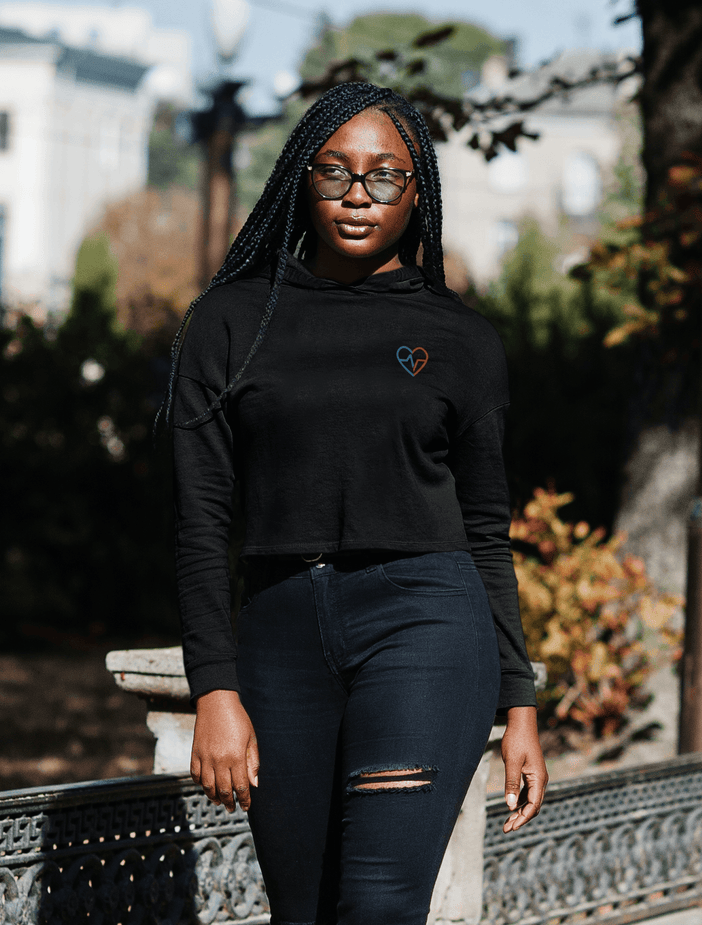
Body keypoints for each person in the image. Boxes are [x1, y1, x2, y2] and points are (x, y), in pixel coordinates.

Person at [165, 81, 548, 925]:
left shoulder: (462, 340)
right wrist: (213, 688)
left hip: (427, 624)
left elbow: (487, 530)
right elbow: (201, 522)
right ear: (302, 177)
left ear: (419, 191)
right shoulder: (229, 323)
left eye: (385, 176)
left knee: (376, 905)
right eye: (335, 172)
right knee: (302, 911)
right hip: (280, 634)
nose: (357, 196)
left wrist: (519, 705)